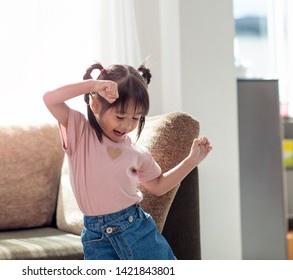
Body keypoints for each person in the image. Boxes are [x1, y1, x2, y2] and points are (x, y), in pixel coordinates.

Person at [43, 62, 212, 260]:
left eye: (135, 118)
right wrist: (94, 86)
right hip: (96, 237)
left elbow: (158, 186)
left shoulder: (137, 152)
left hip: (136, 230)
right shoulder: (80, 132)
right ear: (96, 104)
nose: (127, 125)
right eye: (120, 115)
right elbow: (50, 99)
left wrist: (191, 161)